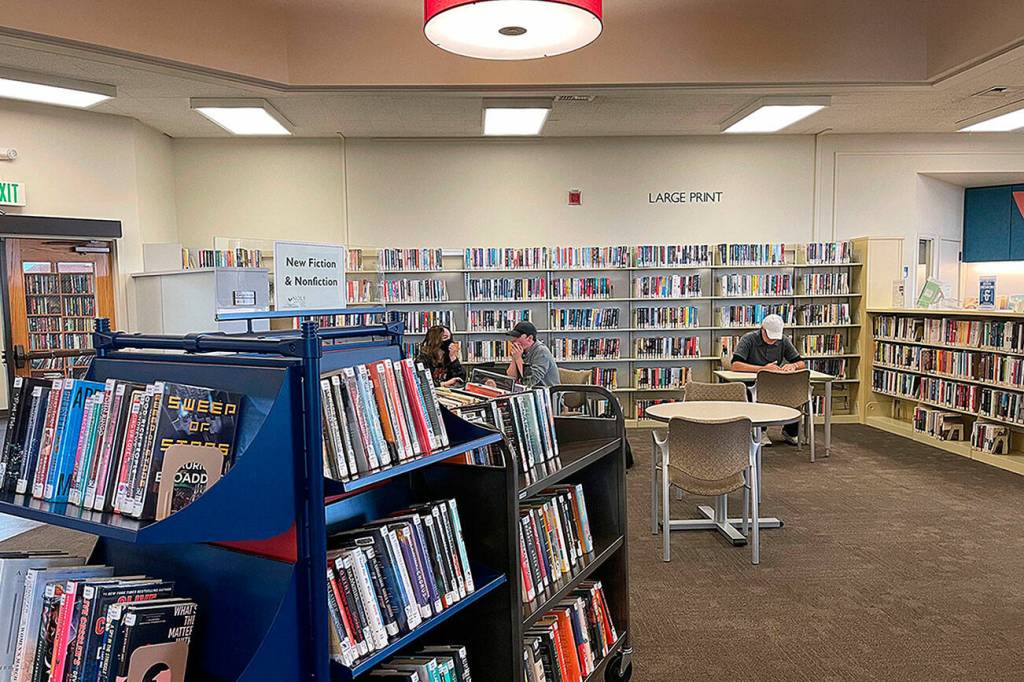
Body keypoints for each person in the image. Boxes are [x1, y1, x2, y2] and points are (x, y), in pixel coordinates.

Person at [730, 314, 806, 446]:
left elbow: (801, 363)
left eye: (775, 338)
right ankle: (760, 431)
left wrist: (793, 366)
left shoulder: (783, 340)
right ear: (762, 330)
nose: (772, 341)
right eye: (769, 337)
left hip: (774, 383)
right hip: (752, 383)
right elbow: (735, 365)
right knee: (749, 393)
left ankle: (790, 432)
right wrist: (763, 369)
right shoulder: (748, 339)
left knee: (795, 392)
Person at [505, 321, 560, 388]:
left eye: (517, 337)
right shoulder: (522, 350)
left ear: (529, 338)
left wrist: (518, 358)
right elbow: (510, 380)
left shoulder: (541, 351)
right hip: (529, 391)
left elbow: (529, 382)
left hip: (546, 392)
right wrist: (514, 358)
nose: (513, 340)